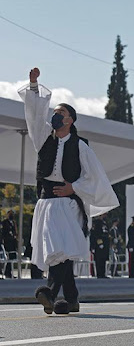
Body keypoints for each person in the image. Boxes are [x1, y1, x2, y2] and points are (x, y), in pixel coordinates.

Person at [19, 68, 118, 314]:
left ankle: (50, 293)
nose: (55, 115)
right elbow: (33, 115)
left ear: (70, 119)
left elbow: (93, 175)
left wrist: (74, 187)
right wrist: (33, 86)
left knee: (60, 250)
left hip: (69, 203)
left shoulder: (80, 146)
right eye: (54, 112)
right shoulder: (43, 138)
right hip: (46, 202)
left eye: (60, 112)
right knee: (58, 252)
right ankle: (71, 298)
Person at [89, 214, 110, 278]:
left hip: (105, 244)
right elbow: (96, 234)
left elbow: (106, 233)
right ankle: (99, 274)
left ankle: (103, 273)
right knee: (99, 259)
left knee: (103, 259)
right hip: (99, 245)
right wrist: (100, 243)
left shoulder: (104, 223)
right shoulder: (96, 223)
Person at [1, 210, 18, 278]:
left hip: (13, 243)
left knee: (12, 258)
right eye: (10, 214)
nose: (11, 215)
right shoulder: (4, 222)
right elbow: (4, 232)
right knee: (8, 259)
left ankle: (9, 272)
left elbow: (15, 231)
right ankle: (7, 273)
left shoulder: (14, 222)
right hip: (7, 243)